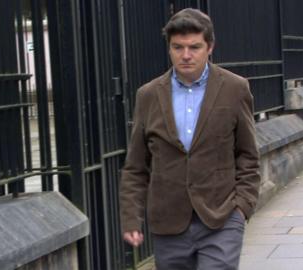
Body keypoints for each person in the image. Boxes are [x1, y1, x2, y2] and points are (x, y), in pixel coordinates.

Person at [119, 8, 260, 270]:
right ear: (169, 48)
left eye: (194, 47)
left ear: (210, 47)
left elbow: (248, 154)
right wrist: (131, 218)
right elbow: (136, 166)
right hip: (168, 223)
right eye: (178, 47)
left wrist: (243, 207)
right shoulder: (148, 95)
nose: (186, 55)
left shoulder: (234, 88)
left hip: (221, 217)